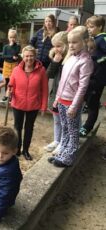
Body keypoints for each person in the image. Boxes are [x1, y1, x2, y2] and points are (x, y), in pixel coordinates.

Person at [48, 26, 93, 167]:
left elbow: (82, 86)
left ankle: (69, 157)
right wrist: (57, 98)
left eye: (75, 42)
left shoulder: (86, 61)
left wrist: (74, 105)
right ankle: (62, 153)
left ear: (84, 42)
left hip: (72, 102)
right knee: (65, 128)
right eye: (70, 42)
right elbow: (62, 81)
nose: (71, 45)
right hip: (62, 99)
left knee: (73, 131)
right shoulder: (70, 58)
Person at [8, 45, 48, 160]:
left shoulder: (41, 71)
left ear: (35, 56)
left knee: (29, 128)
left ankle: (26, 150)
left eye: (31, 56)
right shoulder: (16, 70)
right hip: (18, 103)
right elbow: (11, 84)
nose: (29, 58)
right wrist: (9, 90)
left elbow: (44, 90)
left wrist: (43, 106)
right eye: (26, 56)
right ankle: (17, 149)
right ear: (22, 57)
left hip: (33, 104)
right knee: (17, 127)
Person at [80, 16, 106, 137]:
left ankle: (87, 127)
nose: (89, 29)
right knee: (89, 100)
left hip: (98, 78)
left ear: (100, 27)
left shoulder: (102, 39)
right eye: (88, 27)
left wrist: (97, 61)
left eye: (92, 27)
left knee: (93, 104)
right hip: (92, 76)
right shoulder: (95, 39)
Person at [43, 31, 69, 155]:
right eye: (55, 46)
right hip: (55, 94)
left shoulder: (70, 59)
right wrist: (55, 62)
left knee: (65, 122)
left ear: (66, 45)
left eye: (59, 46)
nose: (56, 49)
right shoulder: (56, 58)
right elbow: (48, 75)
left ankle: (63, 143)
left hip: (65, 95)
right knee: (57, 120)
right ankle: (57, 140)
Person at [0, 29, 21, 102]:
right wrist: (11, 57)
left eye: (14, 37)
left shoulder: (17, 46)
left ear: (16, 38)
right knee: (6, 81)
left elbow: (16, 54)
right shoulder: (5, 47)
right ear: (8, 38)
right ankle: (6, 95)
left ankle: (10, 96)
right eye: (11, 37)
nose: (12, 39)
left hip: (14, 65)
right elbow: (3, 56)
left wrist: (12, 46)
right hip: (6, 65)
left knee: (12, 81)